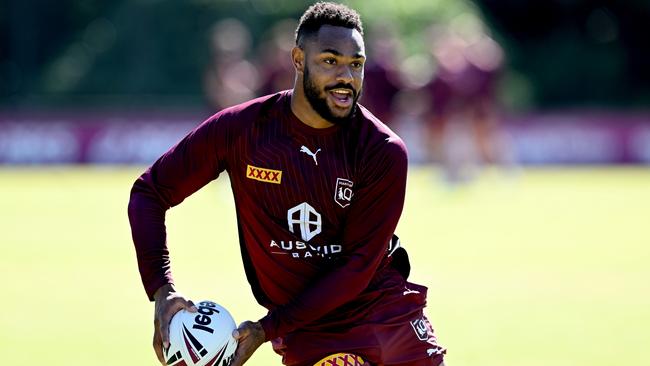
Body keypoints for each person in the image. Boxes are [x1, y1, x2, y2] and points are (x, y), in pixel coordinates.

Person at [128, 2, 446, 366]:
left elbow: (356, 268)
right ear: (298, 59)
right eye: (330, 61)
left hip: (388, 324)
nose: (346, 76)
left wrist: (267, 328)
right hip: (312, 336)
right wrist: (161, 290)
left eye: (355, 64)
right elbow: (150, 193)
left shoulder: (381, 150)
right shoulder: (241, 130)